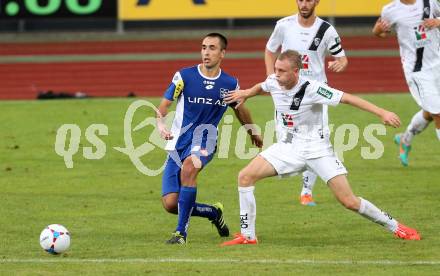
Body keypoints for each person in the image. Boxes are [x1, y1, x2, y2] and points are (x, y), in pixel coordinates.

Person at [221, 50, 420, 246]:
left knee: (348, 201)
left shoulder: (312, 88)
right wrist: (246, 93)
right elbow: (262, 86)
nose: (277, 74)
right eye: (276, 69)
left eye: (282, 70)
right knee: (245, 177)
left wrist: (381, 112)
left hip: (317, 150)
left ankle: (396, 226)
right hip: (287, 148)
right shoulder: (274, 80)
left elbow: (348, 98)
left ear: (296, 72)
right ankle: (248, 236)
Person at [156, 33, 263, 244]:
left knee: (190, 167)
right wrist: (160, 124)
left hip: (206, 140)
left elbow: (240, 109)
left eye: (212, 48)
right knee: (170, 204)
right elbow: (164, 106)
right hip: (178, 143)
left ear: (222, 53)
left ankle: (180, 234)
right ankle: (213, 212)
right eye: (204, 47)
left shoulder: (229, 83)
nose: (206, 52)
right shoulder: (184, 76)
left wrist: (252, 132)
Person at [265, 0, 348, 206]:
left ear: (316, 2)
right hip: (288, 93)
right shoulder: (283, 25)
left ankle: (306, 191)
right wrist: (271, 77)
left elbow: (342, 58)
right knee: (286, 140)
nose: (303, 3)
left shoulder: (326, 30)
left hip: (315, 96)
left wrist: (340, 63)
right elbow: (270, 50)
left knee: (319, 140)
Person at [372, 0, 440, 166]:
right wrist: (379, 31)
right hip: (417, 72)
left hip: (437, 64)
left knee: (430, 111)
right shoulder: (390, 10)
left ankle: (405, 139)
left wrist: (438, 22)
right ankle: (405, 139)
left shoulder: (429, 2)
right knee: (438, 113)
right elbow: (377, 31)